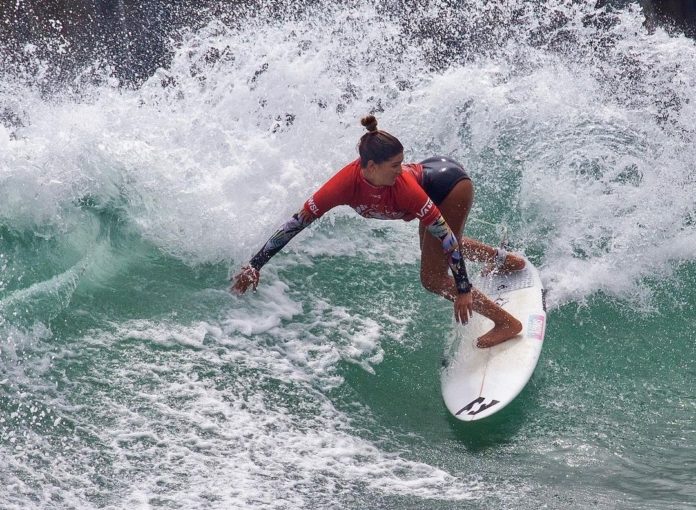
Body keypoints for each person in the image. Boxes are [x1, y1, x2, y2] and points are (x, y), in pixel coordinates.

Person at [231, 115, 525, 347]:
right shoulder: (343, 185)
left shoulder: (405, 187)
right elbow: (295, 224)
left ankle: (506, 323)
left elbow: (446, 237)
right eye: (395, 166)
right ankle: (506, 261)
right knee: (434, 246)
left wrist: (463, 290)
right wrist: (256, 265)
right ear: (370, 167)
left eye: (402, 163)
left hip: (450, 186)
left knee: (433, 277)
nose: (400, 170)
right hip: (436, 177)